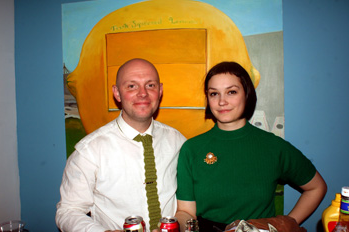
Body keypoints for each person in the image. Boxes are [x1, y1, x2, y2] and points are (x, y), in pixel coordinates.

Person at [175, 61, 327, 232]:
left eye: (231, 92)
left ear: (246, 94)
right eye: (214, 94)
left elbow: (316, 187)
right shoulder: (191, 148)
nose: (222, 101)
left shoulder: (274, 146)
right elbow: (186, 212)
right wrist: (171, 226)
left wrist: (286, 223)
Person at [56, 58, 186, 232]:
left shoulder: (178, 141)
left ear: (160, 90)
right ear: (117, 93)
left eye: (150, 85)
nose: (143, 93)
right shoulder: (89, 151)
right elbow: (68, 211)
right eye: (132, 86)